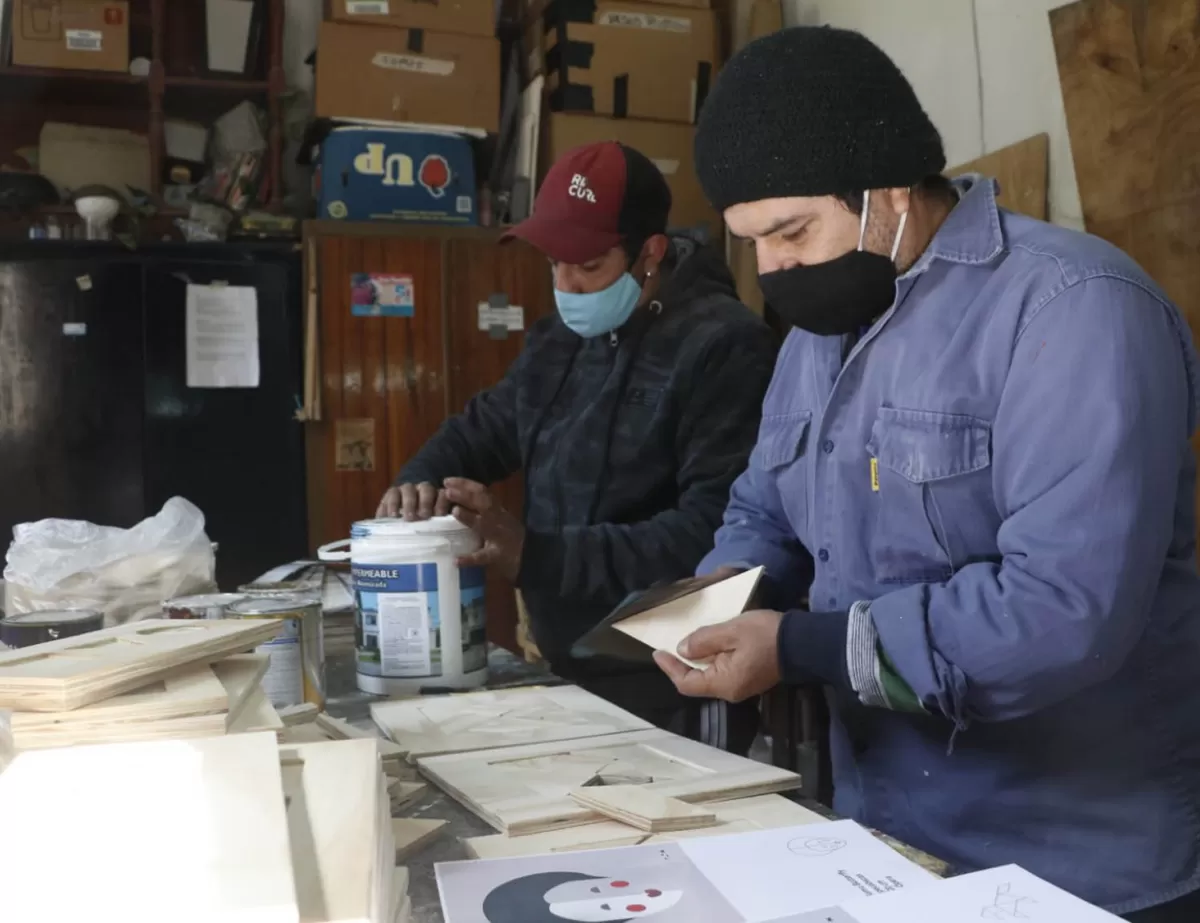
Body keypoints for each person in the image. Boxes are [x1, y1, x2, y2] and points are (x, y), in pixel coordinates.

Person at [652, 25, 1200, 922]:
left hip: (1074, 859)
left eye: (789, 231)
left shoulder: (1075, 310)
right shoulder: (819, 332)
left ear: (890, 190)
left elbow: (1065, 613)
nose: (771, 268)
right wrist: (722, 597)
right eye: (750, 241)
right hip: (883, 835)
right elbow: (768, 506)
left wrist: (796, 646)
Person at [377, 141, 777, 753]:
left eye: (588, 266)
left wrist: (536, 553)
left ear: (650, 252)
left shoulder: (724, 348)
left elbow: (711, 537)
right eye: (554, 263)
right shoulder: (559, 340)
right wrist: (420, 483)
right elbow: (484, 429)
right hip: (563, 659)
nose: (567, 286)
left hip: (673, 675)